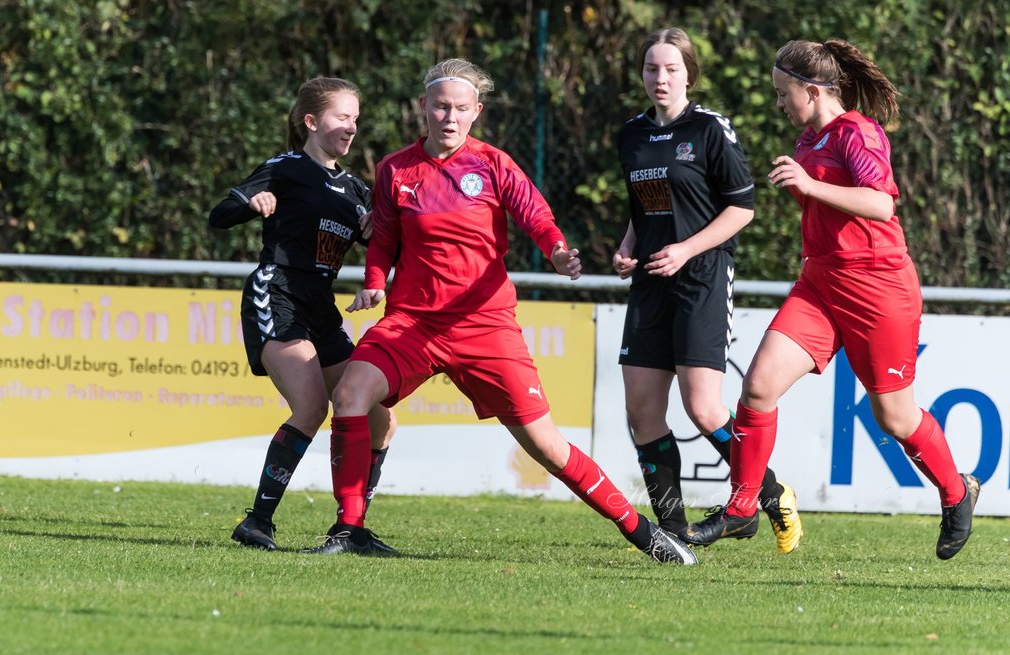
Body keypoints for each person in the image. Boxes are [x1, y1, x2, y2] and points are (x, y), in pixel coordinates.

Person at [304, 58, 697, 564]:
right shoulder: (395, 169)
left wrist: (556, 250)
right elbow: (382, 239)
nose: (449, 116)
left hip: (484, 326)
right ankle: (348, 528)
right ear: (423, 107)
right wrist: (375, 284)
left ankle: (642, 531)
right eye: (441, 106)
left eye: (460, 109)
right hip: (413, 322)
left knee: (547, 447)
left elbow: (534, 213)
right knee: (352, 393)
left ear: (476, 112)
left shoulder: (492, 163)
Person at [684, 39, 979, 559]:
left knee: (894, 416)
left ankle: (957, 493)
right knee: (757, 387)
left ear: (813, 90)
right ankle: (741, 507)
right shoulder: (806, 142)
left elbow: (881, 205)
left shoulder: (858, 133)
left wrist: (809, 186)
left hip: (877, 288)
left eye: (783, 93)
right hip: (821, 283)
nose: (779, 103)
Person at [613, 28, 802, 554]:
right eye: (652, 68)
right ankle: (672, 532)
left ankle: (768, 492)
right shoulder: (632, 135)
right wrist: (629, 246)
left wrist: (686, 250)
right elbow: (645, 205)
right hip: (652, 281)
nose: (661, 78)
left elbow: (742, 208)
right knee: (642, 411)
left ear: (689, 73)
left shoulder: (709, 129)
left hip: (701, 277)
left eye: (671, 69)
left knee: (703, 408)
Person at [208, 76, 397, 552]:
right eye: (341, 117)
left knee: (381, 422)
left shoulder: (356, 189)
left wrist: (376, 274)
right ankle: (257, 521)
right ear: (311, 122)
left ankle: (350, 529)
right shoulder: (287, 167)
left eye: (356, 118)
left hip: (321, 306)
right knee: (311, 407)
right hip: (279, 292)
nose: (352, 127)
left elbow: (386, 246)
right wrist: (252, 203)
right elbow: (219, 214)